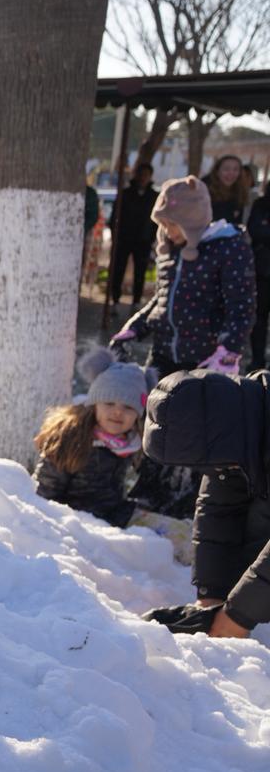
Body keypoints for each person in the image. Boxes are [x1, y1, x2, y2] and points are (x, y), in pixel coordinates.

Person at [139, 367, 270, 641]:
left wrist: (238, 616)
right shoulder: (238, 425)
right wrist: (212, 595)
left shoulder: (235, 429)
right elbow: (220, 509)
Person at [113, 175, 256, 378]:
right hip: (162, 354)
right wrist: (134, 328)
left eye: (172, 224)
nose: (167, 231)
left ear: (193, 219)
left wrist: (229, 351)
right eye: (162, 224)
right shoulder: (172, 248)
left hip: (205, 359)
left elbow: (241, 306)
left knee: (191, 410)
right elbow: (163, 298)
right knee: (153, 407)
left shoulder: (227, 248)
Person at [32, 349, 154, 528]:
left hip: (113, 516)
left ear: (138, 414)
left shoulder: (134, 443)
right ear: (94, 404)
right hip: (74, 522)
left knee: (182, 534)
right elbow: (44, 492)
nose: (118, 412)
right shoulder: (71, 438)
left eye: (128, 407)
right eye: (109, 403)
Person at [108, 163, 159, 309]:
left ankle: (136, 300)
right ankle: (115, 299)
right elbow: (114, 217)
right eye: (141, 174)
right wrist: (115, 236)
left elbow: (157, 220)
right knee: (118, 269)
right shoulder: (125, 194)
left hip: (143, 240)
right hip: (124, 239)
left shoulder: (153, 196)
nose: (143, 178)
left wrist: (152, 237)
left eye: (146, 175)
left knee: (140, 271)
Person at [248, 178, 270, 371]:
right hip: (261, 272)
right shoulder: (261, 204)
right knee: (259, 319)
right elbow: (255, 230)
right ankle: (257, 360)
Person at [205, 154, 252, 226]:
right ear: (217, 171)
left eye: (235, 169)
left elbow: (237, 223)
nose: (231, 173)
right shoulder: (204, 191)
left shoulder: (240, 192)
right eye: (226, 169)